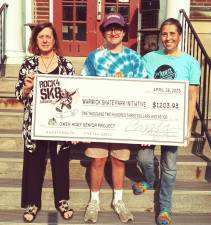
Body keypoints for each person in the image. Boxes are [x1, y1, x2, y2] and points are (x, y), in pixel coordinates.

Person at [132, 18, 200, 225]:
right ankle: (150, 180)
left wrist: (187, 127)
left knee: (169, 166)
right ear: (160, 36)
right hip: (150, 120)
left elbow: (191, 97)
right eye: (164, 34)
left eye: (172, 33)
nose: (168, 38)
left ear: (180, 35)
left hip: (174, 122)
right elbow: (139, 90)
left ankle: (165, 208)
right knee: (144, 158)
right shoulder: (149, 58)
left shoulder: (190, 62)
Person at [81, 13, 146, 223]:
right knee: (98, 160)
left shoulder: (135, 58)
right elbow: (83, 88)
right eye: (109, 28)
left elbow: (144, 91)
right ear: (103, 33)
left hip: (124, 120)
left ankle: (118, 199)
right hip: (99, 119)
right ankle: (94, 201)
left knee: (119, 160)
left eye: (118, 27)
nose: (114, 31)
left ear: (124, 31)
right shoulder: (94, 58)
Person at [15, 22, 75, 223]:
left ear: (55, 39)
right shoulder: (28, 65)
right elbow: (19, 95)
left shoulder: (66, 65)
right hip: (34, 123)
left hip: (60, 123)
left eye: (49, 36)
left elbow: (74, 95)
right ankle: (32, 203)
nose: (45, 40)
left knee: (61, 163)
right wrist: (26, 89)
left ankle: (62, 200)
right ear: (36, 40)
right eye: (41, 37)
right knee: (33, 163)